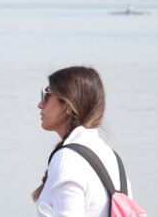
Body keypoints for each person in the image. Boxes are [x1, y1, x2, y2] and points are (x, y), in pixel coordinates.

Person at [32, 66, 132, 216]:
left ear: (67, 103)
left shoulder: (68, 159)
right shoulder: (112, 159)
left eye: (46, 95)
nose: (40, 104)